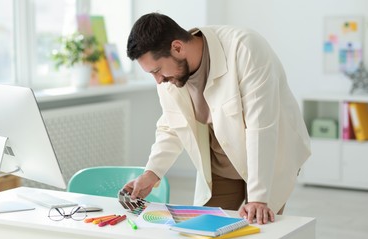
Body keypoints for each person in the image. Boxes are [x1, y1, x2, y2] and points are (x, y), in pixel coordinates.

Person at [123, 12, 311, 225]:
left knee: (258, 230)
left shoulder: (244, 48)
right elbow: (171, 126)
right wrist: (152, 173)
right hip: (221, 163)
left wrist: (258, 198)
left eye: (157, 70)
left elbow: (261, 125)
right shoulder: (169, 78)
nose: (158, 80)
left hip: (269, 156)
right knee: (203, 229)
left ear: (177, 47)